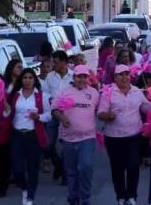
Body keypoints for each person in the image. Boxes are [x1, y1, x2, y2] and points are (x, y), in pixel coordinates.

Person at [97, 64, 151, 205]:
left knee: (133, 165)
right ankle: (121, 196)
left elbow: (146, 107)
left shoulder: (137, 91)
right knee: (118, 168)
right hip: (113, 137)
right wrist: (108, 115)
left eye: (126, 74)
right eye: (121, 74)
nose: (124, 77)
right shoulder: (108, 92)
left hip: (133, 135)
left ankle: (132, 195)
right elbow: (100, 113)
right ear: (115, 77)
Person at [52, 64, 100, 205]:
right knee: (71, 172)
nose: (82, 79)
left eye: (85, 77)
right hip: (68, 139)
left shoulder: (94, 93)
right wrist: (62, 118)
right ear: (74, 77)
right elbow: (55, 109)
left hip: (88, 138)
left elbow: (101, 109)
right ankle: (73, 198)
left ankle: (85, 198)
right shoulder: (64, 92)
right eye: (79, 76)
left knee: (85, 167)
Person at [9, 68, 52, 205]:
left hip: (33, 135)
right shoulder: (15, 95)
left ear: (34, 80)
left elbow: (49, 115)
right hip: (17, 135)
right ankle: (24, 188)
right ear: (21, 80)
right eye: (25, 78)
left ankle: (30, 197)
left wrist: (38, 116)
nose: (27, 80)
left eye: (30, 78)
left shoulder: (41, 96)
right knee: (17, 168)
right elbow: (8, 114)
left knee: (33, 167)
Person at [44, 50, 74, 184]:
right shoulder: (50, 76)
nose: (53, 65)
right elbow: (45, 93)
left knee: (66, 146)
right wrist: (51, 100)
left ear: (64, 62)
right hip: (53, 113)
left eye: (56, 62)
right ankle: (58, 165)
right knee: (48, 144)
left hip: (68, 115)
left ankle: (65, 174)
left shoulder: (73, 76)